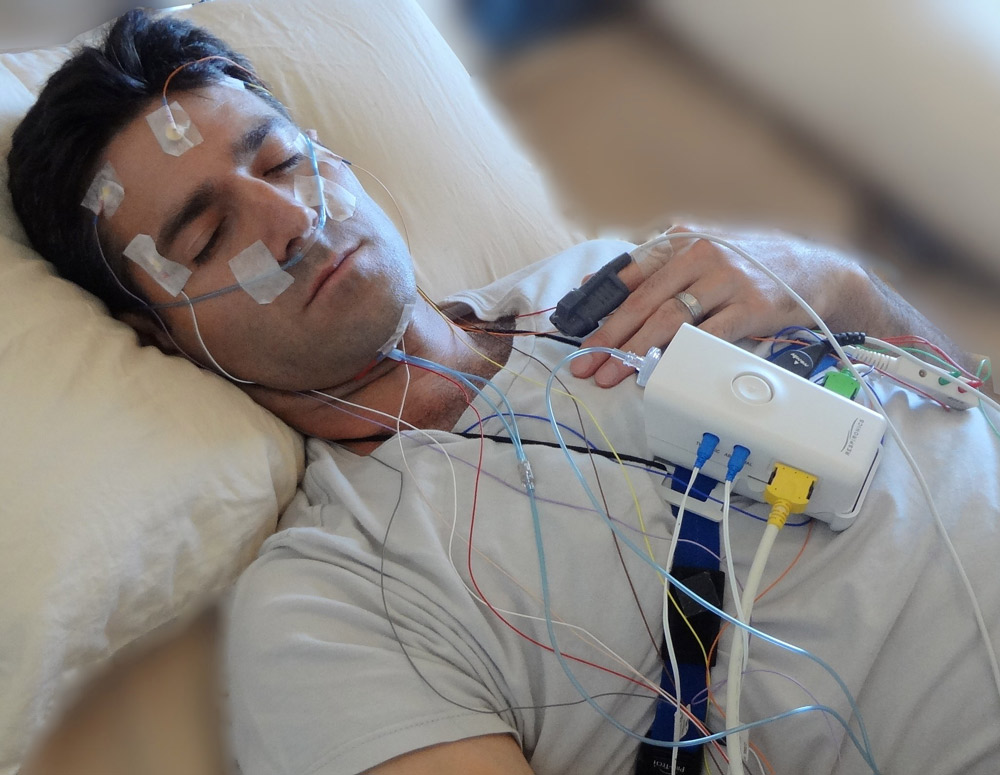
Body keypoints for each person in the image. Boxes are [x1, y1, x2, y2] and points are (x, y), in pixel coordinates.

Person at [8, 9, 1000, 775]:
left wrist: (839, 285)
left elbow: (956, 390)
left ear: (338, 161)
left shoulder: (619, 273)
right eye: (205, 234)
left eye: (278, 159)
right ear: (158, 336)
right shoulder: (334, 608)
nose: (289, 218)